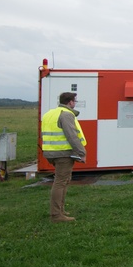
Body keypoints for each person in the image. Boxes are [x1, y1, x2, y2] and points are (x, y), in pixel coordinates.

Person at [40, 91, 87, 222]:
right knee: (60, 182)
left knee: (63, 180)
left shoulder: (50, 114)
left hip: (50, 152)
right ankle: (56, 215)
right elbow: (71, 135)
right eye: (74, 101)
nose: (75, 104)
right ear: (70, 102)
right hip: (63, 153)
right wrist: (81, 152)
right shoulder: (66, 115)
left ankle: (60, 209)